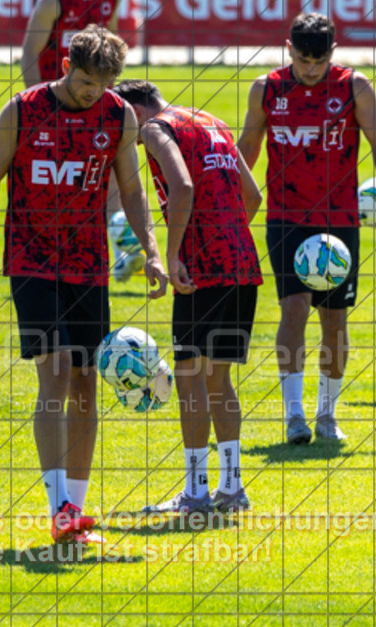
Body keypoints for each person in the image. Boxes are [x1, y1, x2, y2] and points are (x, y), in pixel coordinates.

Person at [0, 26, 168, 543]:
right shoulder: (23, 110)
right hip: (31, 261)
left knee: (84, 384)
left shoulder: (118, 115)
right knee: (53, 374)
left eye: (101, 84)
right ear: (65, 66)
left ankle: (75, 512)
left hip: (89, 266)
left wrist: (151, 250)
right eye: (83, 81)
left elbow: (132, 187)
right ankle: (59, 509)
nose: (90, 92)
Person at [237, 13, 376, 445]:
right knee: (293, 308)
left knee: (334, 317)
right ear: (287, 49)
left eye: (319, 61)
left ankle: (327, 414)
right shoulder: (267, 89)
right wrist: (228, 201)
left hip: (339, 220)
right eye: (303, 60)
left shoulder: (353, 87)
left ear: (333, 51)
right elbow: (247, 146)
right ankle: (294, 416)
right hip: (286, 217)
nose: (311, 70)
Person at [113, 79, 262, 513]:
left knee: (189, 378)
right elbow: (251, 196)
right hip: (241, 262)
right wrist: (226, 235)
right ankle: (232, 490)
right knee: (219, 379)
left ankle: (195, 494)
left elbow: (182, 187)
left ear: (135, 110)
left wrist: (176, 254)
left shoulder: (158, 129)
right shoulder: (211, 121)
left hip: (202, 268)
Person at [20, 0, 142, 282]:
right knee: (54, 184)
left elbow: (113, 46)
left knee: (110, 174)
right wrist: (41, 108)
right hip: (54, 105)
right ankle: (48, 259)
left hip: (94, 103)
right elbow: (29, 54)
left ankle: (121, 251)